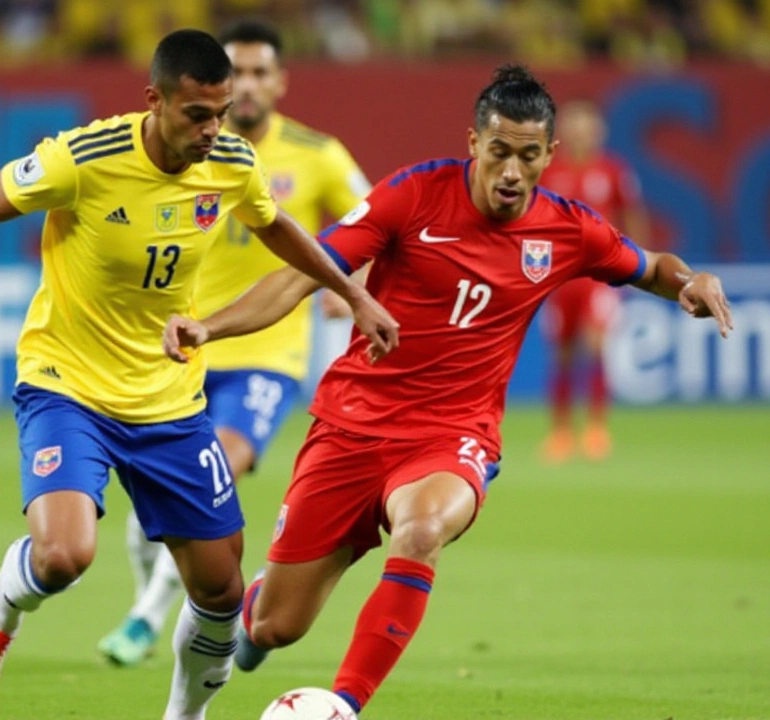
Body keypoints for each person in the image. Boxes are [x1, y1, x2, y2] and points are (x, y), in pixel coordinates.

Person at [0, 29, 397, 719]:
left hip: (167, 395)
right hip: (67, 384)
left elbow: (275, 224)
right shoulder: (84, 157)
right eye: (197, 114)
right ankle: (3, 615)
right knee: (65, 556)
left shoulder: (229, 160)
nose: (212, 129)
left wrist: (356, 294)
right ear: (154, 101)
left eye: (220, 113)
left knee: (222, 594)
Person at [161, 65, 733, 715]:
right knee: (272, 628)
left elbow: (649, 266)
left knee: (423, 527)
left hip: (452, 435)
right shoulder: (413, 196)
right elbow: (303, 275)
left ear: (548, 155)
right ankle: (263, 607)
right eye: (499, 153)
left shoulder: (568, 228)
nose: (511, 172)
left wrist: (690, 280)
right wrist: (210, 326)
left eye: (527, 156)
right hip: (352, 426)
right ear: (474, 143)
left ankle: (344, 705)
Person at [98, 19, 373, 668]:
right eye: (236, 73)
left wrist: (351, 282)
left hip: (266, 354)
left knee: (223, 460)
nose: (246, 86)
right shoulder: (184, 152)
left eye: (257, 73)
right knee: (148, 513)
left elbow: (374, 223)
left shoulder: (317, 154)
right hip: (177, 348)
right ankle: (151, 593)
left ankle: (144, 618)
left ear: (279, 82)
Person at [535, 99, 651, 463]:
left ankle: (597, 428)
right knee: (563, 353)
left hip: (601, 273)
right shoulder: (548, 171)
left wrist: (641, 265)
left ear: (599, 130)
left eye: (587, 124)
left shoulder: (614, 171)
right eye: (574, 124)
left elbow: (633, 216)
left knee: (597, 343)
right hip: (558, 275)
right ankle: (560, 431)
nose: (580, 131)